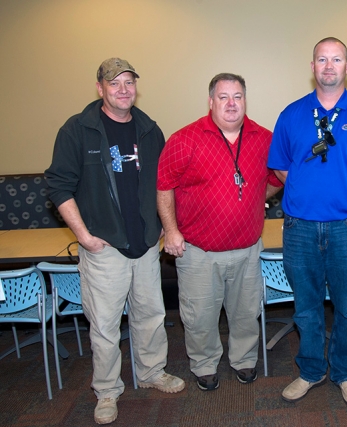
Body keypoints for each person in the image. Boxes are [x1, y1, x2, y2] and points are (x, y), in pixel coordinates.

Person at [45, 58, 185, 425]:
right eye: (114, 83)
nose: (123, 89)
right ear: (100, 88)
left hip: (144, 246)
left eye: (128, 82)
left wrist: (163, 226)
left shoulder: (149, 130)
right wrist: (84, 237)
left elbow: (163, 183)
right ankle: (107, 391)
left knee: (152, 316)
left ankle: (153, 371)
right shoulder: (78, 130)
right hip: (104, 249)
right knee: (105, 326)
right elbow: (58, 187)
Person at [268, 37, 347, 408]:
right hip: (300, 228)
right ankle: (310, 370)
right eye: (322, 59)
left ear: (346, 67)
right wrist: (311, 193)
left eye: (336, 59)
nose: (328, 66)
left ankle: (343, 372)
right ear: (312, 67)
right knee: (306, 306)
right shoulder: (291, 114)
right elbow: (279, 166)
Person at [157, 73, 282, 392]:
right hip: (199, 251)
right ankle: (204, 364)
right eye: (223, 97)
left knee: (245, 313)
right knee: (199, 317)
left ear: (245, 101)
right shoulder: (184, 138)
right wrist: (170, 230)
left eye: (237, 96)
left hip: (247, 249)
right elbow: (164, 187)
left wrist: (253, 198)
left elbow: (276, 180)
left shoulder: (264, 138)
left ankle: (244, 360)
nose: (231, 103)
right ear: (211, 101)